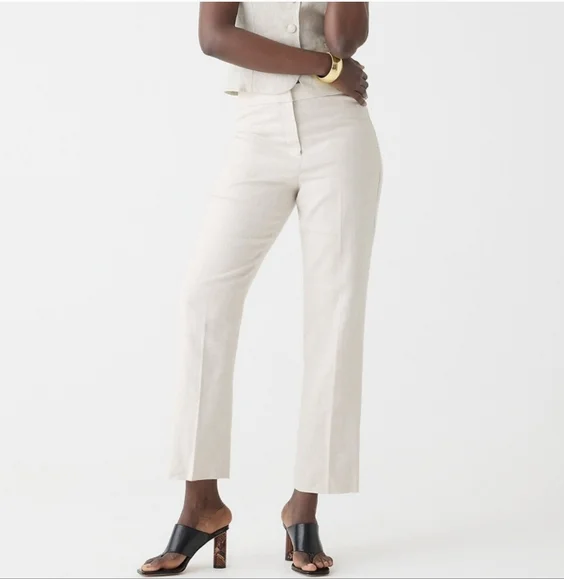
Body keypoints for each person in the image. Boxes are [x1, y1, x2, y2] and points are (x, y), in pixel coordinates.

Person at [138, 2, 381, 576]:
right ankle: (201, 505)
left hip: (338, 131)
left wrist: (333, 65)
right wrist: (324, 68)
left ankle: (304, 508)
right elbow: (215, 37)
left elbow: (345, 40)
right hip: (257, 129)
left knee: (335, 312)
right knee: (204, 299)